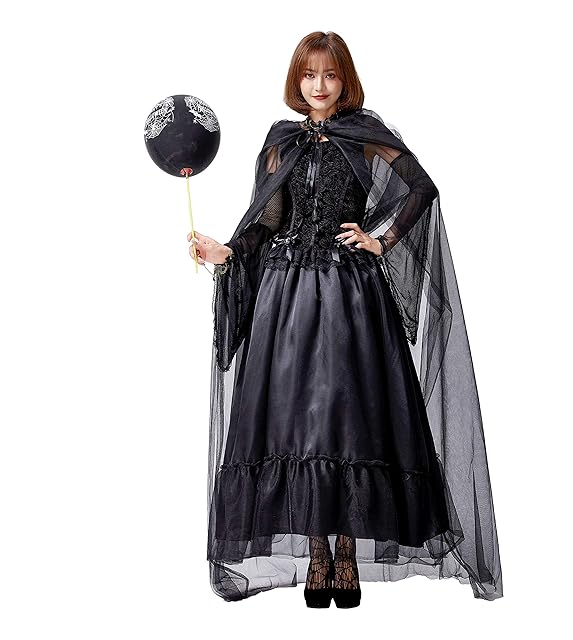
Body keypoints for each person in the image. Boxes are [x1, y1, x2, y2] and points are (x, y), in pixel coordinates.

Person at [189, 31, 503, 607]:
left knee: (348, 417)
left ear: (345, 80)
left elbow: (421, 188)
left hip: (349, 295)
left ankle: (346, 554)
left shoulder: (364, 135)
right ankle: (317, 554)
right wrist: (226, 250)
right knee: (295, 421)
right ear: (296, 79)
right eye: (309, 74)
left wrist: (381, 238)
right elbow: (268, 220)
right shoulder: (280, 141)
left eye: (330, 74)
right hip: (286, 298)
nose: (319, 85)